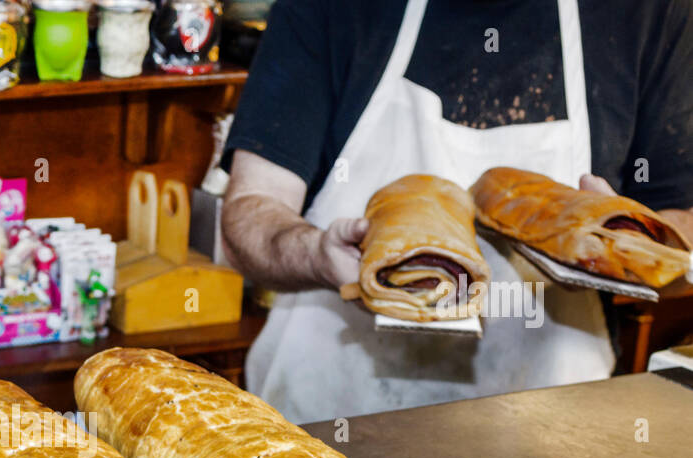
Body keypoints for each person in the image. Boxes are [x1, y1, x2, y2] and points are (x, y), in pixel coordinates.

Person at [221, 0, 693, 423]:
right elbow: (251, 210)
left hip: (548, 436)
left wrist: (625, 247)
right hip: (328, 424)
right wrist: (315, 255)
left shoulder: (648, 12)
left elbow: (681, 218)